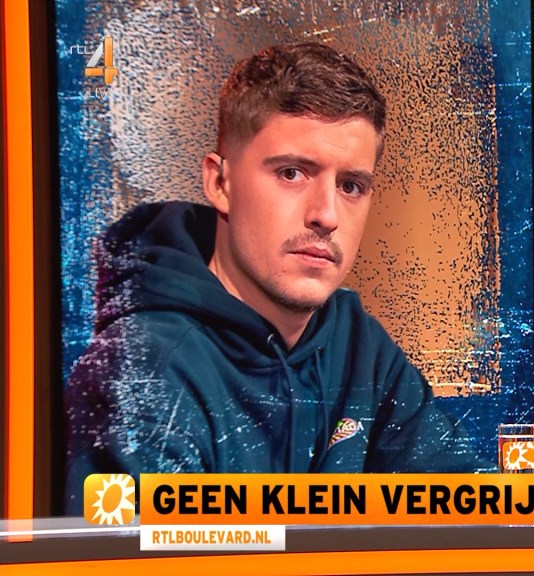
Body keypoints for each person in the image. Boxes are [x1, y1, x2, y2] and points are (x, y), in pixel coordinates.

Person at [65, 42, 484, 514]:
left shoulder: (358, 345)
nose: (327, 215)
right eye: (291, 173)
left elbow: (472, 513)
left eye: (351, 186)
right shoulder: (143, 367)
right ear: (220, 183)